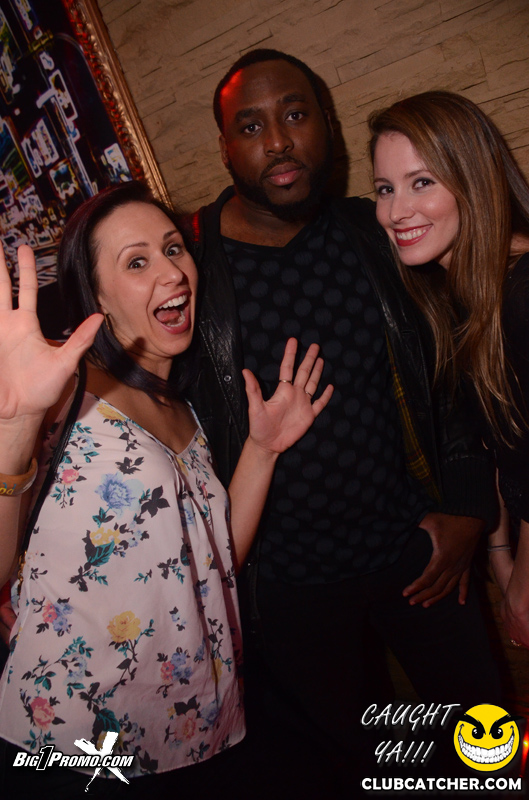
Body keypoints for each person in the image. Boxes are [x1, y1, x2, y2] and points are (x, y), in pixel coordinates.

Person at [183, 49, 501, 792]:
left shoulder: (376, 232)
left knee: (486, 738)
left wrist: (466, 505)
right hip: (289, 590)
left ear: (326, 124)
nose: (278, 141)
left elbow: (449, 371)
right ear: (225, 148)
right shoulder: (191, 267)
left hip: (414, 551)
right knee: (366, 764)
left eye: (295, 115)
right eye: (251, 127)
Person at [0, 180, 332, 799]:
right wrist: (16, 428)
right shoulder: (63, 393)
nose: (172, 272)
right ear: (96, 296)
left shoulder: (181, 406)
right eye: (136, 262)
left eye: (173, 248)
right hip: (76, 743)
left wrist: (262, 450)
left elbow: (216, 563)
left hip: (190, 729)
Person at [369, 90, 529, 652]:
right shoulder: (465, 299)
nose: (396, 212)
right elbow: (506, 448)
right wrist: (501, 553)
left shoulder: (522, 294)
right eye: (385, 189)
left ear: (474, 181)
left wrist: (522, 582)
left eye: (422, 182)